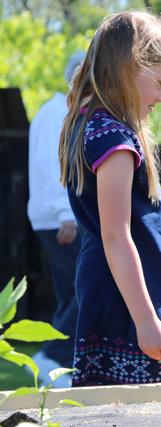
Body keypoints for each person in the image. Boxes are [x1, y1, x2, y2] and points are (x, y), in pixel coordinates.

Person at [58, 10, 161, 386]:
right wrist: (146, 320)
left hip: (123, 288)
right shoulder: (113, 139)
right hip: (126, 300)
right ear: (127, 68)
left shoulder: (90, 123)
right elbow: (116, 235)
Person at [26, 49, 86, 388]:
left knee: (69, 292)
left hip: (53, 217)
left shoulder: (54, 110)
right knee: (87, 287)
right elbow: (54, 167)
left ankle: (61, 367)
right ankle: (50, 357)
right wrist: (67, 213)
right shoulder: (58, 113)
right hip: (59, 218)